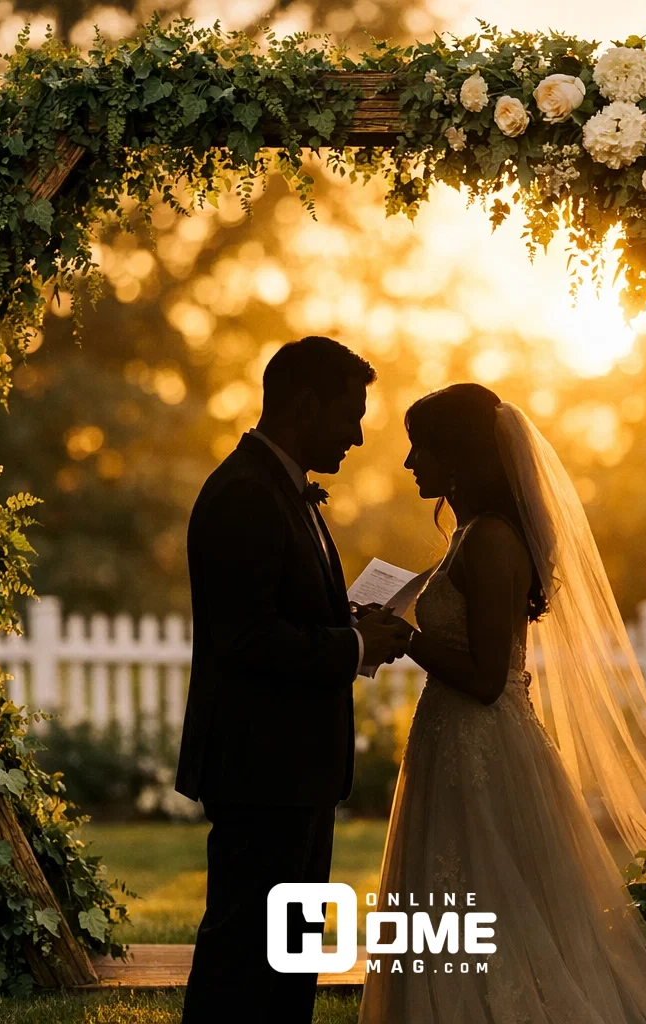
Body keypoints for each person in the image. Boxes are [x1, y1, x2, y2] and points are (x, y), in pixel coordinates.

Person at [358, 382, 646, 1024]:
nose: (410, 462)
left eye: (422, 447)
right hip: (449, 738)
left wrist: (407, 639)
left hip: (485, 741)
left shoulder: (493, 539)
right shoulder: (468, 532)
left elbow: (484, 675)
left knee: (491, 892)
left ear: (460, 454)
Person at [175, 336, 414, 1024]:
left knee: (288, 955)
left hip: (295, 770)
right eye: (350, 415)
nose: (359, 436)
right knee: (242, 955)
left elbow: (279, 607)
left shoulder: (283, 490)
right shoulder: (244, 494)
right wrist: (357, 643)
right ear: (305, 406)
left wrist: (348, 622)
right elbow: (246, 637)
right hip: (260, 768)